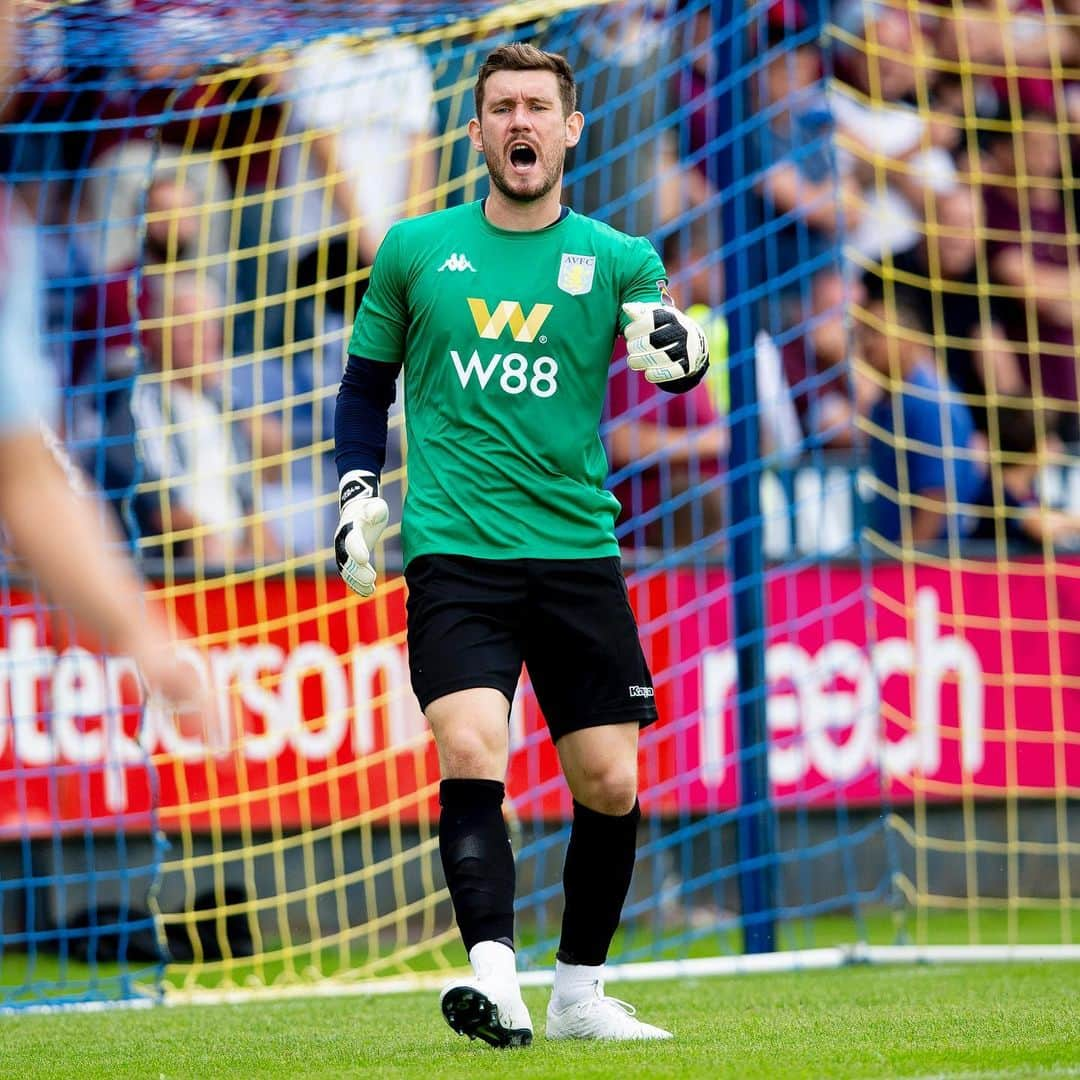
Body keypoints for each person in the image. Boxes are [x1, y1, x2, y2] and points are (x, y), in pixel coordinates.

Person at [333, 43, 711, 1046]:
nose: (519, 124)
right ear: (477, 132)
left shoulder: (620, 255)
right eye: (501, 107)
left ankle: (579, 994)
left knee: (612, 782)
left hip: (577, 551)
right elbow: (364, 388)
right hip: (455, 551)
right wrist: (356, 492)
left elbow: (671, 347)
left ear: (570, 127)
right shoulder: (415, 249)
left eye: (537, 107)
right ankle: (494, 982)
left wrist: (689, 350)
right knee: (470, 749)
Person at [856, 292, 985, 545]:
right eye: (862, 334)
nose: (867, 344)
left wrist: (901, 565)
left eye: (877, 333)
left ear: (908, 339)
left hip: (931, 563)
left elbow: (935, 499)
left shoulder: (927, 403)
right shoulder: (886, 402)